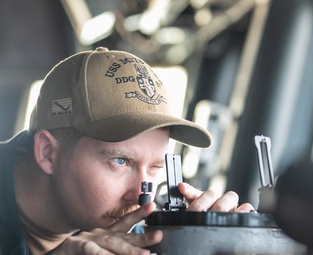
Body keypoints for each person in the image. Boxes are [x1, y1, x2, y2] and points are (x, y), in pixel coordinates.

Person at [0, 47, 254, 255]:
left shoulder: (124, 226)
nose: (141, 196)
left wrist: (190, 242)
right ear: (47, 153)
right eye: (120, 161)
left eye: (155, 167)